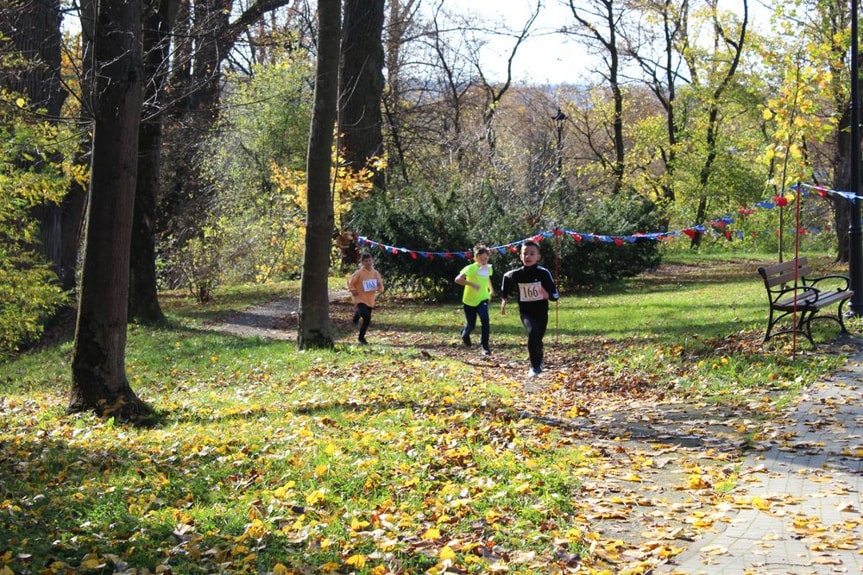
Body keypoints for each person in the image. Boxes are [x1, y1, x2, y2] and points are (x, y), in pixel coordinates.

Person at [500, 240, 559, 378]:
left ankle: (539, 354)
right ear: (520, 256)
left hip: (541, 312)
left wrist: (547, 295)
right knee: (532, 332)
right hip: (526, 312)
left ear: (538, 256)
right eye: (525, 254)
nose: (528, 257)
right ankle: (534, 366)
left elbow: (555, 295)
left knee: (538, 338)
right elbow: (506, 277)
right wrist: (504, 298)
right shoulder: (517, 274)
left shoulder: (544, 273)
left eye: (532, 254)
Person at [455, 244, 494, 355]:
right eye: (481, 259)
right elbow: (457, 279)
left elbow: (487, 279)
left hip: (483, 298)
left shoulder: (489, 268)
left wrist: (491, 290)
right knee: (471, 324)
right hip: (469, 301)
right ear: (475, 259)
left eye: (485, 258)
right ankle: (465, 333)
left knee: (485, 320)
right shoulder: (470, 268)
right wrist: (471, 284)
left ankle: (485, 347)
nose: (483, 261)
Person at [347, 253, 385, 345]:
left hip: (370, 299)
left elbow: (381, 288)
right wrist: (353, 290)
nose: (368, 262)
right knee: (366, 315)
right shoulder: (359, 273)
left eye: (369, 260)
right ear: (363, 262)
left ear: (372, 261)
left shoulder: (375, 273)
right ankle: (361, 338)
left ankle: (358, 317)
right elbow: (351, 283)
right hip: (359, 298)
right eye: (366, 261)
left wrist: (380, 286)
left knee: (367, 320)